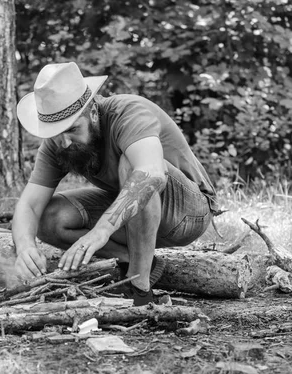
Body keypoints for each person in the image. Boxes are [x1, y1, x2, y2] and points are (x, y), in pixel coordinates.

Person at [13, 61, 218, 305]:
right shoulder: (59, 142)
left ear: (92, 111)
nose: (64, 142)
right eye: (56, 133)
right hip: (138, 218)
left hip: (187, 214)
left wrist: (101, 230)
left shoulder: (128, 112)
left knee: (133, 169)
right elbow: (29, 206)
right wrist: (24, 247)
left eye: (73, 130)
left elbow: (151, 174)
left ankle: (139, 288)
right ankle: (136, 261)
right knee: (49, 216)